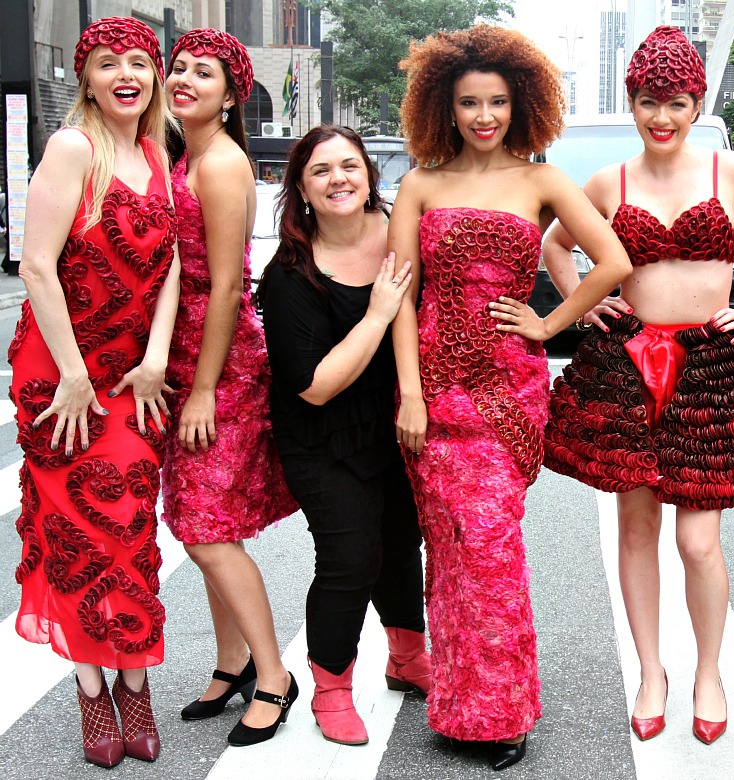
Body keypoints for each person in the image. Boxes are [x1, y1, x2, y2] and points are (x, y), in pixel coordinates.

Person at [544, 26, 734, 744]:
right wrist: (585, 304)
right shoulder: (607, 183)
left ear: (696, 103)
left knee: (698, 542)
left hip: (711, 367)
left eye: (678, 102)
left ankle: (706, 671)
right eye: (650, 101)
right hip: (627, 367)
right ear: (633, 100)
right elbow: (556, 245)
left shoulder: (729, 170)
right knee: (636, 528)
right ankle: (652, 669)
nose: (663, 116)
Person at [393, 25, 630, 770]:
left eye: (497, 101)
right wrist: (408, 392)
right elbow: (398, 295)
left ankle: (502, 712)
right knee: (449, 552)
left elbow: (612, 260)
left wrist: (550, 320)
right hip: (431, 388)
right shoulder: (420, 183)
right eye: (470, 102)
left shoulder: (543, 181)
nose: (484, 115)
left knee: (491, 549)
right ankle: (460, 703)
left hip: (505, 390)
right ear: (446, 106)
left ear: (520, 103)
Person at [9, 17, 179, 767]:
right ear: (85, 77)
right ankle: (90, 687)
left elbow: (172, 265)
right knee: (79, 536)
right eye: (108, 62)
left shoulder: (152, 151)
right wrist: (76, 375)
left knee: (132, 529)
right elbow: (36, 266)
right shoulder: (72, 146)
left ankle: (134, 680)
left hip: (133, 376)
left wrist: (157, 358)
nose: (125, 73)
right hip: (64, 379)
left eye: (138, 61)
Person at [258, 125, 429, 747]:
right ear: (301, 188)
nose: (339, 180)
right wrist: (380, 312)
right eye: (321, 170)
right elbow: (315, 386)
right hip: (322, 436)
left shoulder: (401, 235)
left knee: (400, 544)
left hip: (396, 425)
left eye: (350, 166)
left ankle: (408, 658)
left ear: (370, 174)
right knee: (349, 558)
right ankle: (330, 689)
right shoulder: (290, 274)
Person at [161, 29, 300, 745]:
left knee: (210, 529)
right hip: (187, 359)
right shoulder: (189, 156)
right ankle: (232, 660)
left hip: (220, 365)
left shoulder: (218, 164)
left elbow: (224, 288)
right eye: (178, 68)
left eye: (203, 73)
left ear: (232, 91)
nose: (184, 79)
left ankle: (274, 676)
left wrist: (205, 387)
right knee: (201, 523)